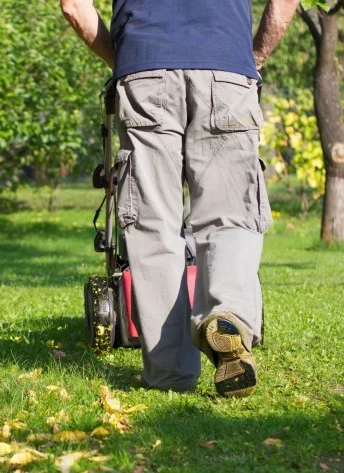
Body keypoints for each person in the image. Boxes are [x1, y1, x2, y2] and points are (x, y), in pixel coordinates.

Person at [60, 0, 300, 397]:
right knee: (230, 215)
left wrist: (125, 60)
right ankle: (227, 313)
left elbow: (74, 7)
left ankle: (170, 374)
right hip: (226, 63)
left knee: (154, 227)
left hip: (144, 66)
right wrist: (253, 56)